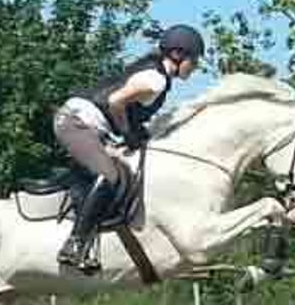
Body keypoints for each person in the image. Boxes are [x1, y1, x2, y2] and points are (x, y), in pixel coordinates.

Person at [53, 24, 205, 273]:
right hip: (75, 123)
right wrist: (126, 133)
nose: (195, 66)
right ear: (177, 55)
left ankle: (93, 241)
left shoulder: (159, 78)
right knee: (110, 176)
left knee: (126, 173)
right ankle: (75, 243)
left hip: (92, 127)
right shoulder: (155, 81)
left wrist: (136, 133)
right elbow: (115, 102)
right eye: (194, 60)